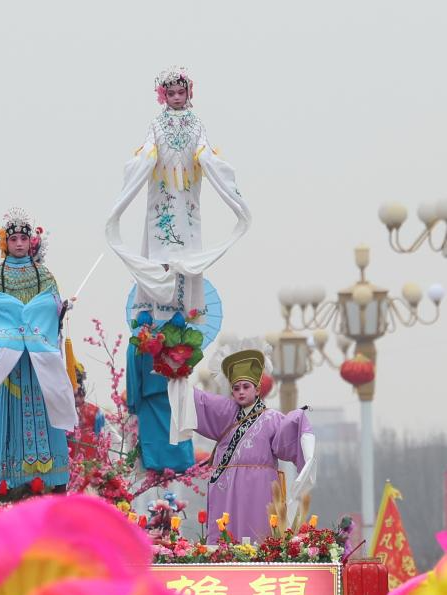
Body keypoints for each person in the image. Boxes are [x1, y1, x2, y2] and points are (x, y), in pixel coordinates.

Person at [107, 67, 250, 474]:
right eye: (169, 91)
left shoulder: (197, 125)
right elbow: (142, 154)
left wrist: (211, 163)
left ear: (189, 92)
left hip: (186, 201)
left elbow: (208, 153)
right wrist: (146, 160)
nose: (175, 95)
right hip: (160, 202)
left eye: (180, 90)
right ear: (161, 95)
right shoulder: (156, 125)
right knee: (158, 254)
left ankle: (180, 298)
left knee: (186, 256)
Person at [0, 208, 77, 498]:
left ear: (30, 241)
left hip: (38, 355)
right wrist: (20, 323)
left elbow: (51, 306)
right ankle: (13, 480)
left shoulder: (43, 274)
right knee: (12, 409)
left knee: (47, 400)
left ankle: (54, 477)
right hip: (11, 356)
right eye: (13, 239)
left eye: (23, 238)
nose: (19, 244)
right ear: (5, 243)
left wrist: (56, 310)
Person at [168, 347, 316, 543]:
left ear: (257, 390)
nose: (241, 392)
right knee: (226, 536)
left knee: (259, 534)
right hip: (226, 487)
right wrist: (177, 376)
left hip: (260, 487)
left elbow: (285, 440)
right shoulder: (226, 412)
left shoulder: (272, 418)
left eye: (246, 387)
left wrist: (298, 419)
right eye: (236, 388)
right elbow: (200, 401)